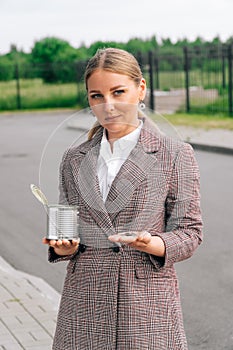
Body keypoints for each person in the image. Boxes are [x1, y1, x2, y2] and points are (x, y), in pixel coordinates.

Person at [43, 47, 203, 350]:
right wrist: (63, 245)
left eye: (118, 92)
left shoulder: (175, 155)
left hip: (146, 306)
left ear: (140, 89)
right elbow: (65, 228)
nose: (109, 106)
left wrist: (153, 242)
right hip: (84, 306)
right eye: (96, 96)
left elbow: (191, 232)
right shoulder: (73, 159)